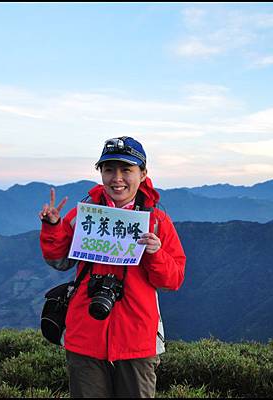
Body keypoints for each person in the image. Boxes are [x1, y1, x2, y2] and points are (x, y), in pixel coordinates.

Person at [39, 136, 186, 398]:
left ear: (143, 174)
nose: (117, 178)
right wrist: (53, 227)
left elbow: (173, 279)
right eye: (109, 170)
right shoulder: (85, 216)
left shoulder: (157, 221)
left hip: (137, 341)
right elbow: (59, 261)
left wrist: (155, 253)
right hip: (85, 335)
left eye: (126, 170)